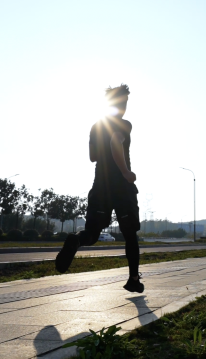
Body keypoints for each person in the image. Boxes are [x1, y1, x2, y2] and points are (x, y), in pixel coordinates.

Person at [55, 84, 143, 293]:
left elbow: (92, 157)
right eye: (123, 102)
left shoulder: (96, 126)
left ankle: (76, 240)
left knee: (92, 233)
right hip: (121, 188)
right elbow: (115, 142)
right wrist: (125, 172)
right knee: (130, 234)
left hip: (100, 186)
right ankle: (133, 278)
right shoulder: (123, 124)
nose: (125, 106)